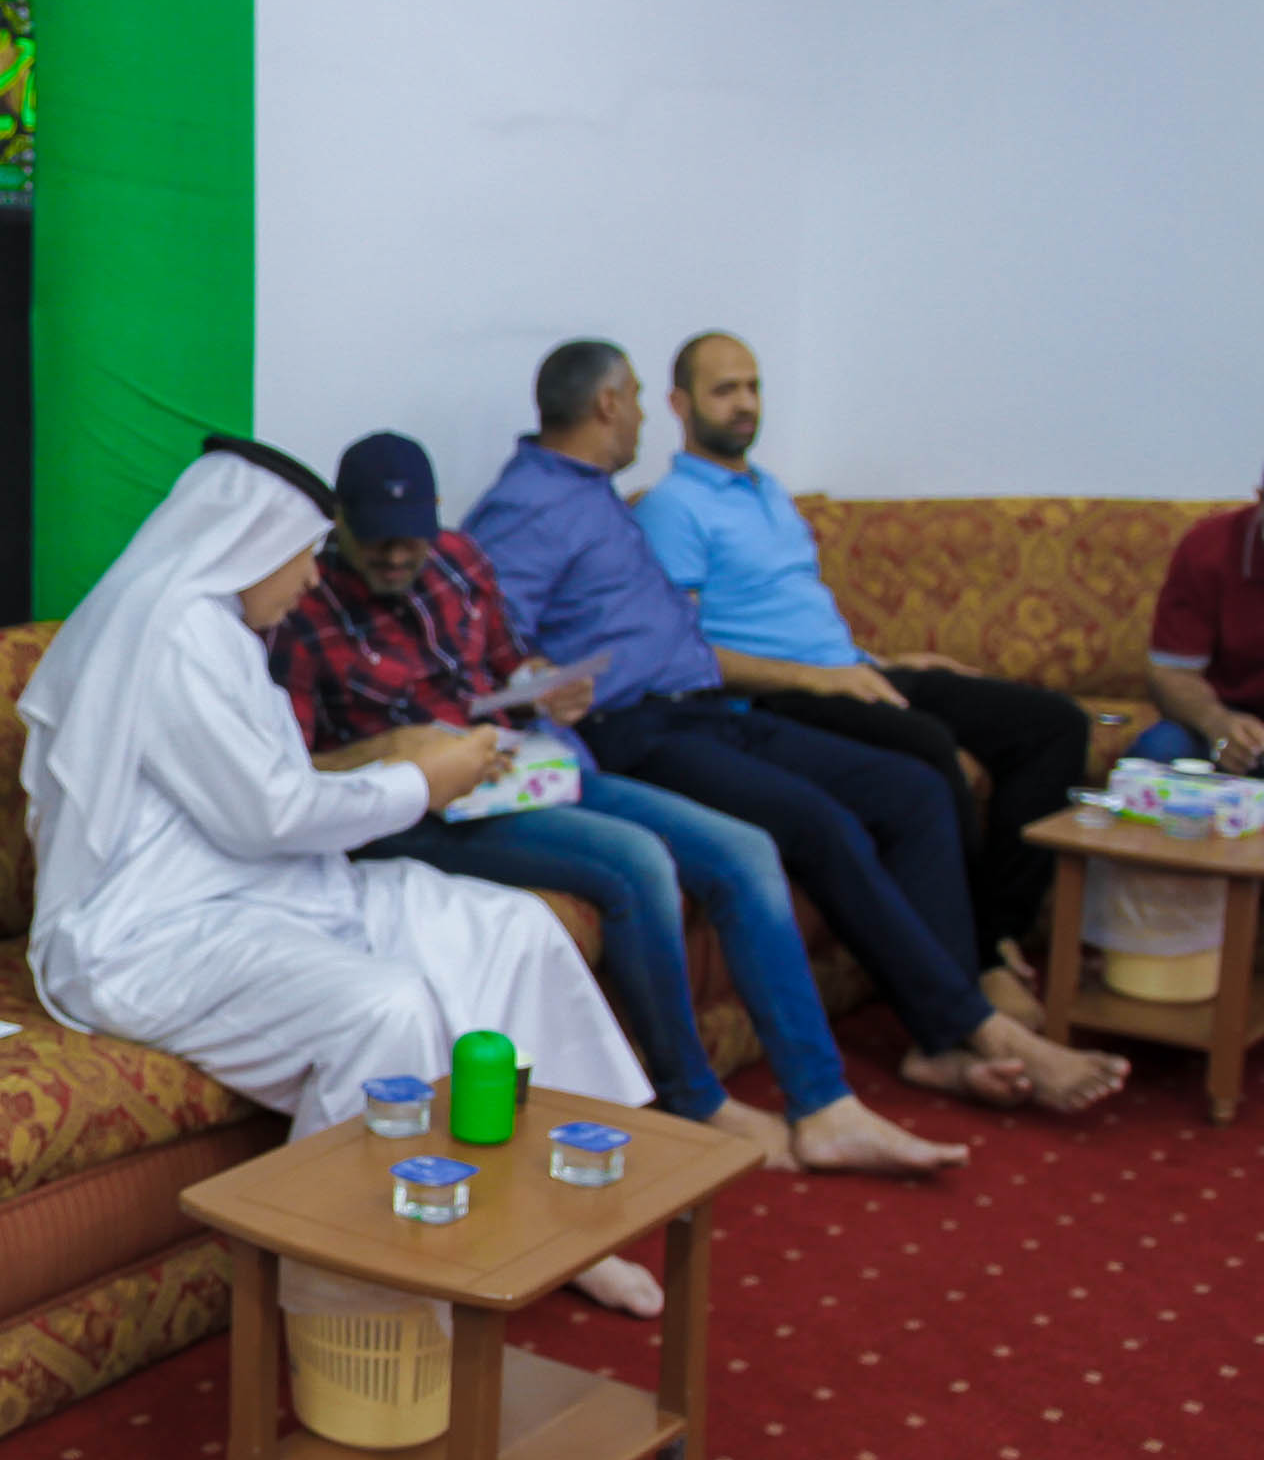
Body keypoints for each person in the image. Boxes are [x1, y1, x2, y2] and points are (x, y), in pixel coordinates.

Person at [19, 434, 666, 1319]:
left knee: (516, 928)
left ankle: (561, 1211)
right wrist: (422, 781)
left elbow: (274, 805)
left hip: (274, 893)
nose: (313, 577)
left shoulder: (217, 628)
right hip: (153, 934)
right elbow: (272, 812)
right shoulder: (172, 635)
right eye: (306, 553)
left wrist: (415, 767)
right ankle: (357, 1312)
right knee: (385, 1007)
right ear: (248, 541)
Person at [462, 341, 1128, 1115]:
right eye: (638, 397)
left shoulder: (590, 490)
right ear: (608, 404)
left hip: (706, 708)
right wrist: (538, 685)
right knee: (823, 824)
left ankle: (946, 1027)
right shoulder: (531, 505)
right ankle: (972, 1030)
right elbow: (486, 637)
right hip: (635, 729)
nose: (643, 415)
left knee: (911, 789)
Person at [271, 432, 960, 1177]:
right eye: (377, 541)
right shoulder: (302, 607)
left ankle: (825, 1104)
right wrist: (392, 749)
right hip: (414, 810)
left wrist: (543, 687)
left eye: (412, 539)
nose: (397, 557)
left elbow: (507, 668)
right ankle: (693, 1099)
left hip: (512, 769)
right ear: (341, 521)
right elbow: (292, 772)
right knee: (639, 862)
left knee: (745, 850)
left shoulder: (459, 561)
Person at [632, 333, 1087, 1022]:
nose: (745, 404)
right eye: (725, 390)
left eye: (753, 387)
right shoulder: (672, 508)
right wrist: (821, 679)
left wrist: (881, 660)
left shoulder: (766, 490)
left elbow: (795, 610)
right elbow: (683, 655)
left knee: (1054, 725)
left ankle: (997, 926)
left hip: (852, 671)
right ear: (679, 403)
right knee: (927, 745)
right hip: (780, 694)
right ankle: (978, 967)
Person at [1137, 474, 1264, 773]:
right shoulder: (1209, 547)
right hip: (1225, 715)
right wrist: (1217, 723)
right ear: (1260, 497)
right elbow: (1171, 672)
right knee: (1159, 751)